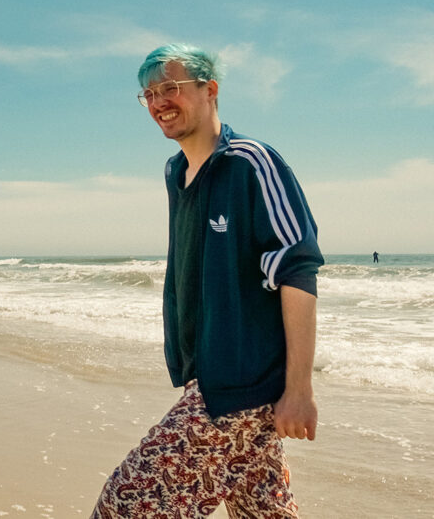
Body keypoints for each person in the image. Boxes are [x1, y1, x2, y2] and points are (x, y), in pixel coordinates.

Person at [91, 44, 324, 519]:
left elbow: (296, 269)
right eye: (149, 94)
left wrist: (299, 389)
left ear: (209, 90)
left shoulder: (251, 163)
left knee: (125, 505)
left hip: (239, 385)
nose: (159, 102)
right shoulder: (176, 171)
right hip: (206, 376)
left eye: (171, 88)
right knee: (264, 512)